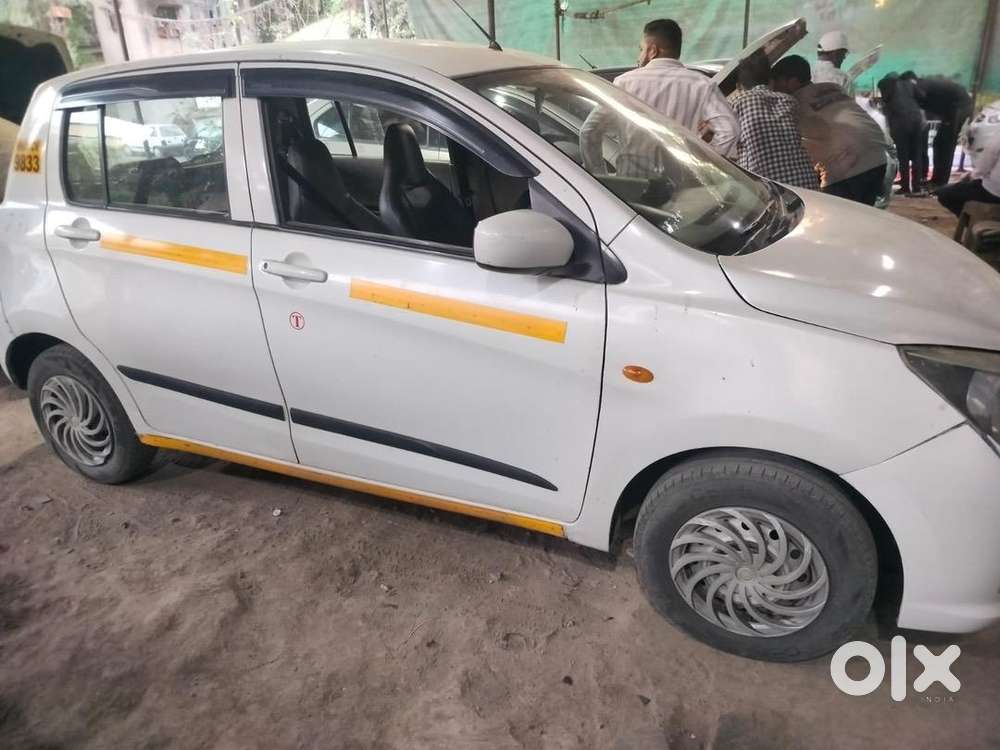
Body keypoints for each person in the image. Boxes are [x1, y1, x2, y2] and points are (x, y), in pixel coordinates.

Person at [584, 18, 738, 160]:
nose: (639, 57)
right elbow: (729, 130)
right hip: (682, 178)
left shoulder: (624, 83)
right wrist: (704, 165)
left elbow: (589, 131)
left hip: (631, 179)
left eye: (641, 49)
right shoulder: (702, 84)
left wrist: (598, 172)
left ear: (652, 50)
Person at [771, 55, 889, 205]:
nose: (773, 87)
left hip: (849, 164)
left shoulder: (792, 103)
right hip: (878, 155)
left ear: (793, 81)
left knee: (835, 213)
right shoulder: (832, 89)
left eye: (777, 81)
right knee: (862, 212)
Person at [731, 50, 819, 189]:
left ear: (739, 86)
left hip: (770, 188)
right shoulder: (789, 101)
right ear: (771, 81)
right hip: (806, 182)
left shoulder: (736, 102)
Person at [910, 74, 973, 187]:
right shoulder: (926, 84)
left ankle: (941, 181)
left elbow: (925, 104)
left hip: (958, 108)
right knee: (938, 144)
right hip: (953, 109)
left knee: (946, 146)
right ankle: (937, 179)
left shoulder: (923, 85)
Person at [877, 73, 926, 195]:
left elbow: (886, 101)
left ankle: (905, 186)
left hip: (900, 121)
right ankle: (917, 187)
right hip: (916, 119)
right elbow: (922, 96)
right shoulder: (908, 84)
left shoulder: (885, 84)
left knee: (903, 155)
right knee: (917, 155)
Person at [935, 133, 1000, 216]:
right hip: (992, 189)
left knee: (944, 193)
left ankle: (972, 219)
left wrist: (971, 175)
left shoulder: (997, 139)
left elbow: (983, 166)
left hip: (992, 193)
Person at [813, 30, 853, 96]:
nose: (844, 58)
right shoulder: (843, 78)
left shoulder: (806, 73)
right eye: (843, 54)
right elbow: (850, 102)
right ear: (835, 54)